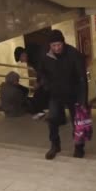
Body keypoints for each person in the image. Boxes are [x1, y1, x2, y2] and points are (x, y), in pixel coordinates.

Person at [37, 30, 88, 160]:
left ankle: (79, 147)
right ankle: (55, 145)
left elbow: (82, 78)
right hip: (56, 93)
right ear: (50, 45)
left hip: (73, 93)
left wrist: (83, 100)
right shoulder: (46, 55)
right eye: (53, 45)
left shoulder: (73, 54)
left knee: (77, 123)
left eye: (59, 44)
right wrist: (46, 84)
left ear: (63, 42)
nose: (57, 48)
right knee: (52, 119)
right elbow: (42, 72)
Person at [14, 46, 48, 120]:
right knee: (38, 93)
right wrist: (37, 82)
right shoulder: (31, 59)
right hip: (45, 77)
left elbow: (43, 72)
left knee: (42, 93)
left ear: (23, 54)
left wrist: (39, 83)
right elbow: (39, 72)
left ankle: (43, 112)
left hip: (49, 76)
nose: (22, 62)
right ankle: (41, 112)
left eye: (21, 59)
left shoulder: (35, 58)